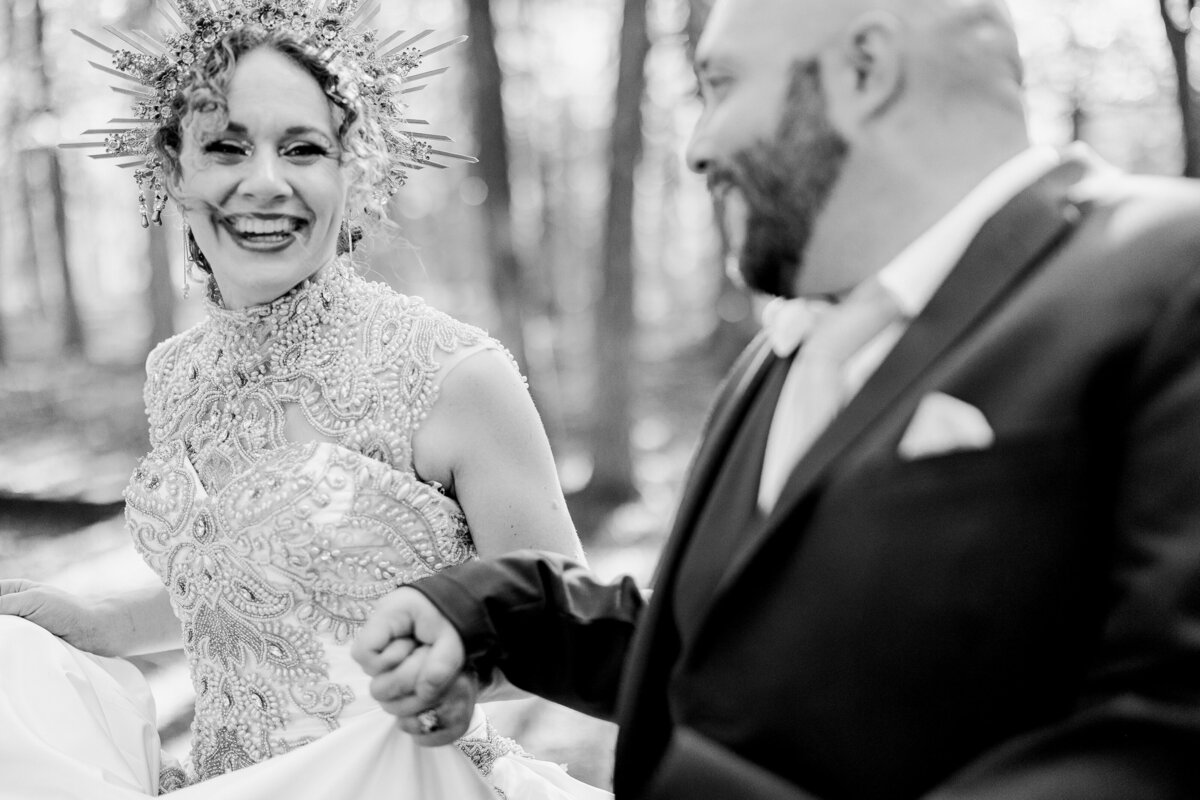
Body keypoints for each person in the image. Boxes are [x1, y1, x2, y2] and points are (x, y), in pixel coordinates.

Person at [352, 0, 1200, 797]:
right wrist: (497, 610)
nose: (697, 148)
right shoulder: (780, 352)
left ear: (865, 68)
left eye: (719, 87)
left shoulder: (1164, 275)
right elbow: (725, 652)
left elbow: (1164, 731)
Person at [0, 2, 612, 799]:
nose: (265, 181)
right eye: (226, 146)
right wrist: (108, 622)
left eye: (303, 148)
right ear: (172, 176)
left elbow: (563, 635)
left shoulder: (456, 377)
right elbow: (248, 585)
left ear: (353, 177)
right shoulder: (176, 376)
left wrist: (443, 677)